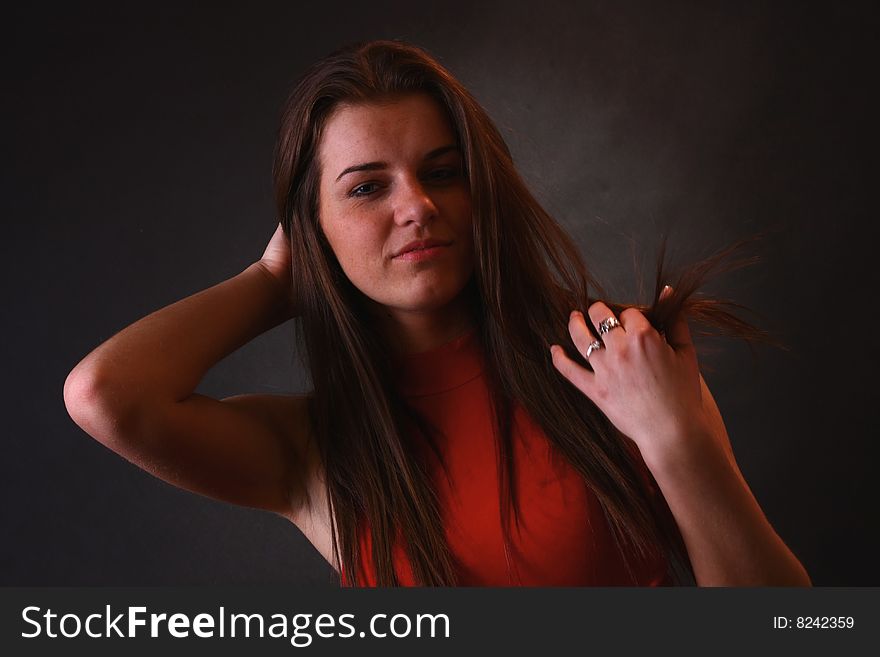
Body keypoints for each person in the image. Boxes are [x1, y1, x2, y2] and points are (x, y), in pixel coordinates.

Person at [63, 40, 811, 587]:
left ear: (481, 190)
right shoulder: (316, 449)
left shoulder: (614, 360)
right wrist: (274, 278)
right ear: (310, 227)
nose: (416, 206)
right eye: (365, 188)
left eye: (443, 173)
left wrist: (672, 435)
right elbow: (106, 395)